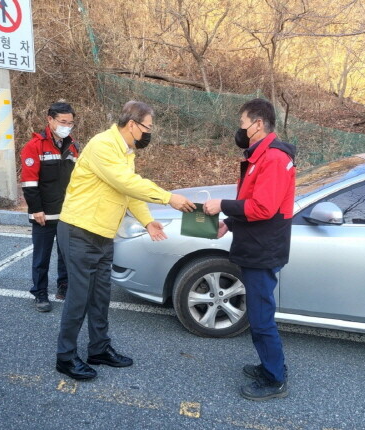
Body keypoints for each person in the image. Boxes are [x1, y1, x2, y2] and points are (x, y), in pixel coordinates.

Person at [55, 100, 195, 380]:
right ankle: (66, 357)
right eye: (148, 127)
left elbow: (127, 191)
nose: (149, 133)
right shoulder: (102, 145)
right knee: (79, 298)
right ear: (132, 125)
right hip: (80, 231)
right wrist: (168, 197)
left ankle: (99, 349)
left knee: (100, 296)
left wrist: (147, 220)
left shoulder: (126, 152)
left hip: (104, 234)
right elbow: (126, 183)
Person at [204, 98, 296, 401]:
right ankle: (271, 365)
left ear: (258, 124)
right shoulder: (263, 155)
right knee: (259, 312)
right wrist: (229, 222)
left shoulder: (272, 158)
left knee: (260, 316)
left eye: (242, 122)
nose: (239, 129)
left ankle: (274, 379)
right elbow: (252, 200)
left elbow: (264, 207)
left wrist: (221, 205)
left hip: (262, 249)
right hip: (257, 244)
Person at [20, 101, 79, 312]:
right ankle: (40, 292)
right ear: (50, 120)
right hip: (43, 214)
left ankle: (64, 286)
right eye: (63, 122)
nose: (67, 126)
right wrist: (36, 209)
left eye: (70, 123)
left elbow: (79, 180)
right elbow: (29, 183)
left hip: (68, 213)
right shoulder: (34, 146)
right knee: (41, 257)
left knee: (66, 254)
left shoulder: (73, 146)